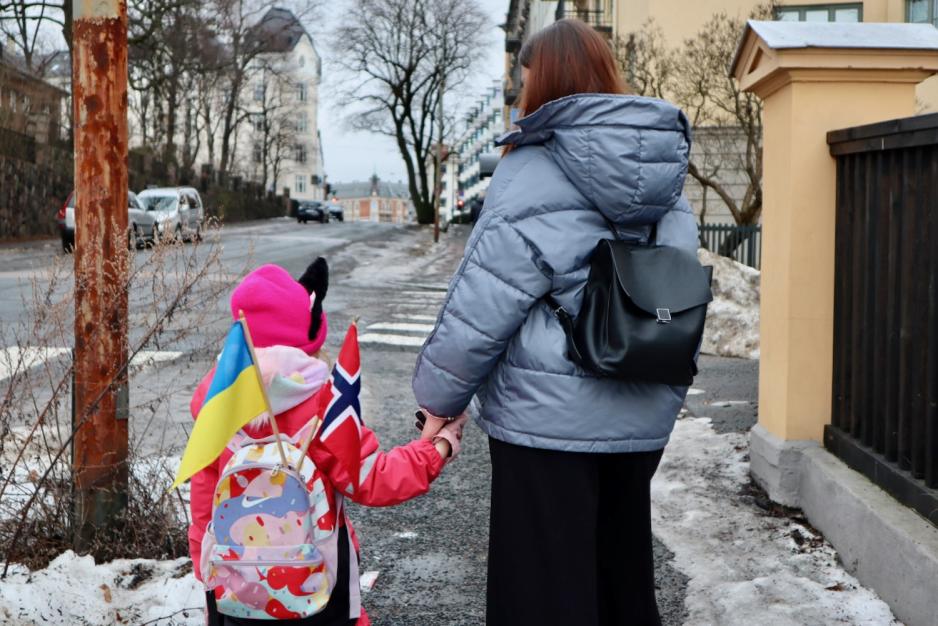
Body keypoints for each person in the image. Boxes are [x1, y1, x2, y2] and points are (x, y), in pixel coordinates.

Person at [412, 18, 698, 626]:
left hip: (545, 421)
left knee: (541, 591)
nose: (521, 95)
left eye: (525, 81)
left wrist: (439, 398)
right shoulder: (666, 172)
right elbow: (679, 286)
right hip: (641, 403)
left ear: (543, 82)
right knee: (619, 582)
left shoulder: (533, 168)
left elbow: (485, 300)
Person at [188, 258, 466, 626]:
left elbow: (204, 497)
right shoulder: (321, 406)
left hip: (238, 586)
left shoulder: (218, 403)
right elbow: (375, 478)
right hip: (317, 583)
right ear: (307, 341)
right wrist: (437, 447)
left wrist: (204, 566)